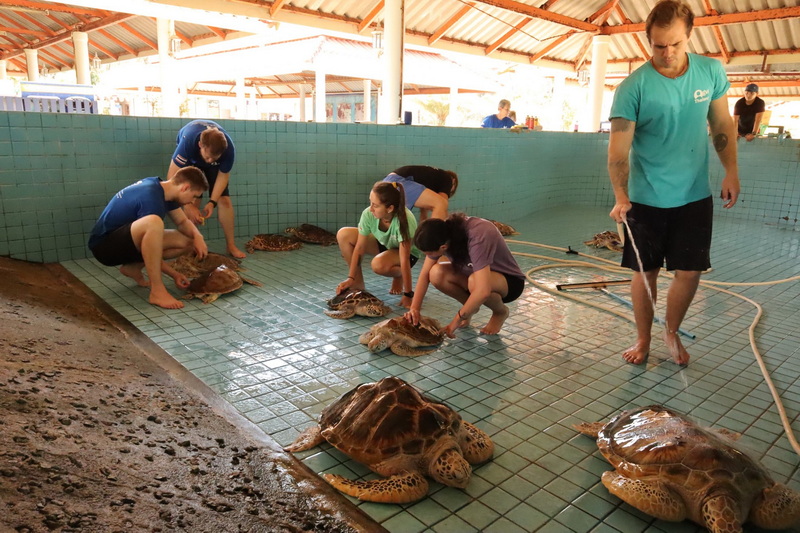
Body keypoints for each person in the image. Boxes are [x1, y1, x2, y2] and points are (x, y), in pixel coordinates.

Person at [607, 0, 740, 366]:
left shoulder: (711, 72)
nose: (667, 53)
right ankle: (643, 339)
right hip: (645, 198)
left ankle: (671, 331)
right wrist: (621, 195)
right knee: (644, 271)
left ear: (690, 37)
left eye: (675, 44)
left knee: (690, 271)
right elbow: (619, 150)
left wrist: (731, 171)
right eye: (658, 45)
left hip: (694, 194)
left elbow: (722, 125)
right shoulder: (632, 87)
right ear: (648, 41)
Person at [88, 167, 210, 310]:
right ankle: (157, 291)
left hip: (123, 241)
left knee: (189, 242)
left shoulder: (162, 189)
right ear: (185, 188)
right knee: (154, 222)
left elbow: (182, 222)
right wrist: (173, 274)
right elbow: (152, 248)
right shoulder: (151, 198)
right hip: (104, 247)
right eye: (194, 196)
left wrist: (198, 237)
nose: (192, 201)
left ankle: (133, 267)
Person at [404, 214, 526, 337]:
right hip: (475, 277)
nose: (429, 256)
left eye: (430, 253)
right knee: (436, 273)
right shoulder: (441, 234)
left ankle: (500, 312)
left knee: (475, 283)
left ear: (443, 247)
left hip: (509, 283)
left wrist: (455, 321)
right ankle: (470, 308)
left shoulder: (478, 235)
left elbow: (482, 291)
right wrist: (414, 308)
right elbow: (425, 274)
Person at [168, 120, 246, 258]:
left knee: (225, 201)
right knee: (193, 197)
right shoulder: (188, 143)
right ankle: (190, 245)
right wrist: (187, 206)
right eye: (208, 156)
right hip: (192, 160)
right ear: (200, 145)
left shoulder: (228, 149)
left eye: (214, 157)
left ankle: (231, 245)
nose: (209, 160)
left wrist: (212, 202)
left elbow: (223, 177)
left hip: (212, 166)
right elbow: (172, 179)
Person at [336, 182, 422, 307]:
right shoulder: (368, 214)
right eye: (370, 202)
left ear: (390, 208)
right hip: (384, 244)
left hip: (407, 255)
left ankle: (399, 275)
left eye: (375, 205)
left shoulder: (405, 220)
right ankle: (358, 284)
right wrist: (351, 278)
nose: (370, 209)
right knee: (344, 234)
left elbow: (404, 258)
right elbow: (360, 247)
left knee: (378, 265)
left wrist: (408, 294)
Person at [382, 165, 459, 221]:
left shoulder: (429, 180)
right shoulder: (448, 179)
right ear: (454, 182)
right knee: (441, 203)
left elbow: (424, 215)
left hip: (387, 182)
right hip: (399, 181)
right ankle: (435, 241)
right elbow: (443, 204)